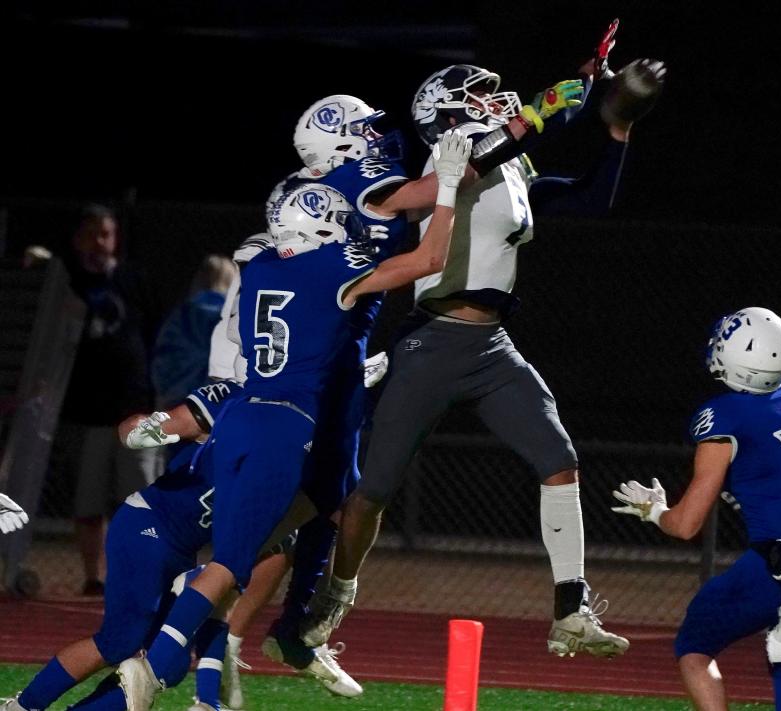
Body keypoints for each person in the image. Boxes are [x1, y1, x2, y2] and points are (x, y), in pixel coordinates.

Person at [302, 24, 664, 659]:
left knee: (560, 460)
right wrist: (561, 97)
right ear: (446, 111)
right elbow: (484, 154)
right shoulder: (448, 162)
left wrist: (617, 124)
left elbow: (589, 200)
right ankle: (338, 589)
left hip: (493, 346)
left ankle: (569, 609)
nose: (494, 99)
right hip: (432, 342)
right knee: (373, 490)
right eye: (478, 94)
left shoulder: (511, 169)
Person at [114, 129, 473, 711]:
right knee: (237, 553)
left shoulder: (259, 266)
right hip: (284, 422)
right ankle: (159, 663)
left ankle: (219, 668)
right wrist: (450, 184)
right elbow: (427, 258)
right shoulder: (330, 267)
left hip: (244, 406)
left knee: (284, 528)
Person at [611, 307, 781, 710]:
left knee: (695, 648)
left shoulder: (724, 417)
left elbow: (686, 525)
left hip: (777, 566)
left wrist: (655, 509)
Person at [0, 381, 240, 711]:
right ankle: (23, 707)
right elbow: (139, 428)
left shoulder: (298, 439)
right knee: (119, 641)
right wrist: (142, 431)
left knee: (168, 665)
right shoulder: (231, 402)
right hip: (149, 526)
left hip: (183, 548)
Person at [57, 204, 160, 596]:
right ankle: (93, 576)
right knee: (88, 501)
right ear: (78, 239)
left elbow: (153, 332)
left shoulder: (133, 279)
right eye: (92, 234)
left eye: (107, 234)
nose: (100, 243)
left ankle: (140, 573)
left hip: (135, 409)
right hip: (87, 412)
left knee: (140, 499)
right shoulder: (66, 281)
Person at [150, 255, 237, 409]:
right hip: (225, 411)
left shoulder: (178, 318)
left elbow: (161, 366)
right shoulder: (238, 320)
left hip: (179, 410)